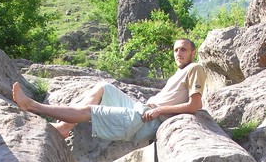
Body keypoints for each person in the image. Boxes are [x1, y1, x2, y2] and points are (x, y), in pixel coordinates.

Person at [12, 38, 206, 142]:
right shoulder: (178, 73)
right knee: (103, 87)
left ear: (193, 52)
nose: (178, 53)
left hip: (147, 120)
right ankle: (64, 128)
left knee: (90, 112)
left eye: (183, 49)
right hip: (143, 108)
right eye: (175, 50)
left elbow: (194, 105)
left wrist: (160, 110)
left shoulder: (195, 68)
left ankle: (32, 105)